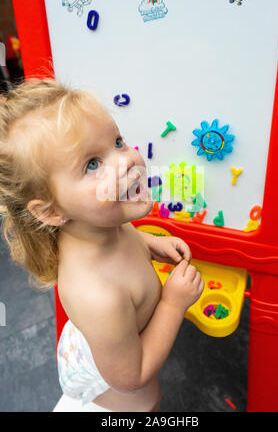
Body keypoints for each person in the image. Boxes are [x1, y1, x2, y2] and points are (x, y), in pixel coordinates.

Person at [0, 78, 204, 412]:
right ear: (51, 210)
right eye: (93, 164)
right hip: (112, 380)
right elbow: (131, 376)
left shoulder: (96, 225)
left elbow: (124, 238)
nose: (125, 161)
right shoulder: (98, 294)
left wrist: (149, 242)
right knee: (146, 403)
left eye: (119, 142)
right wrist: (172, 303)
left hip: (104, 338)